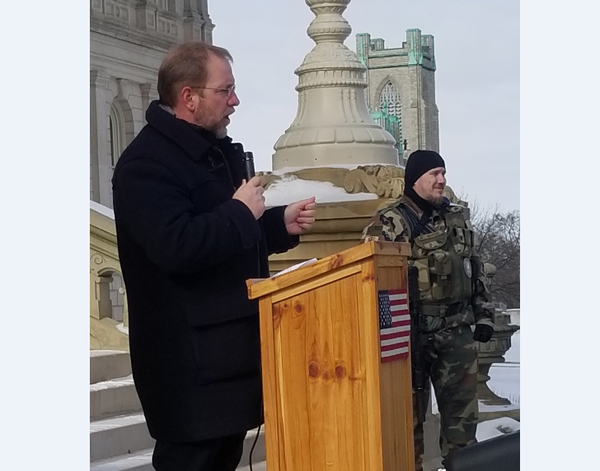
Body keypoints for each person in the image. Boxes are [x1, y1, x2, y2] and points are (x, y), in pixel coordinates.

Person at [111, 41, 316, 471]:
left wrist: (276, 225)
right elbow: (177, 246)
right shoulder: (145, 165)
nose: (235, 101)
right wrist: (241, 211)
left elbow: (222, 235)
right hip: (188, 368)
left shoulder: (211, 153)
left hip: (226, 359)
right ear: (189, 97)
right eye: (226, 91)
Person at [362, 150, 494, 471]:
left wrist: (485, 314)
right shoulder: (390, 222)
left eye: (443, 173)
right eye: (434, 173)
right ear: (415, 179)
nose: (441, 180)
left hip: (457, 335)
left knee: (462, 427)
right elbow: (369, 277)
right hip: (411, 339)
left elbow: (473, 268)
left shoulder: (456, 217)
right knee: (408, 428)